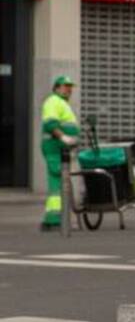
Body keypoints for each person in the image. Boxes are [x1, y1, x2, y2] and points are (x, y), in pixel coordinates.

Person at [39, 75, 79, 231]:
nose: (69, 89)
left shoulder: (61, 103)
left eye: (70, 86)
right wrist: (64, 137)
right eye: (65, 86)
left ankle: (52, 218)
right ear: (56, 88)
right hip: (55, 148)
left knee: (59, 181)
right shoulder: (53, 102)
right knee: (58, 182)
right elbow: (50, 124)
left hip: (61, 149)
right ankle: (55, 219)